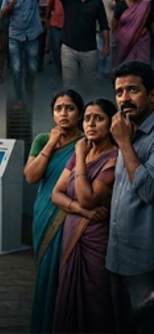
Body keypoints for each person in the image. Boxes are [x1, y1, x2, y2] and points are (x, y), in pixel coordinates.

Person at [48, 98, 117, 332]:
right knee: (68, 298)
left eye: (98, 118)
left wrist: (79, 156)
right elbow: (55, 195)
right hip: (72, 232)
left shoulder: (114, 158)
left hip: (95, 240)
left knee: (95, 302)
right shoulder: (80, 153)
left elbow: (87, 196)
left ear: (111, 123)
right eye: (87, 118)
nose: (91, 124)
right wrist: (80, 210)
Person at [25, 89, 84, 333]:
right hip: (45, 213)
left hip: (73, 215)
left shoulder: (85, 142)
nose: (63, 113)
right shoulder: (41, 140)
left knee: (69, 275)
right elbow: (31, 176)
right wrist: (51, 142)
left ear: (79, 113)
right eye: (58, 109)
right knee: (46, 274)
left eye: (69, 108)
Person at [107, 61, 154, 332]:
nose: (124, 98)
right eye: (119, 92)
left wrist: (124, 144)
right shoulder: (126, 131)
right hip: (116, 257)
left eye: (132, 90)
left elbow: (148, 190)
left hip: (144, 264)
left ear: (152, 95)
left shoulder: (131, 138)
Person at [49, 0, 110, 93]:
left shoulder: (97, 2)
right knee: (70, 85)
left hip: (89, 50)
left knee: (88, 84)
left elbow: (104, 24)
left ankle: (86, 109)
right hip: (68, 49)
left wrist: (106, 45)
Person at [1, 0, 51, 108]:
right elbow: (2, 15)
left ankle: (29, 88)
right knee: (16, 69)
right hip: (15, 38)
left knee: (32, 68)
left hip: (32, 36)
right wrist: (11, 5)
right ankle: (19, 97)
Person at [112, 0, 153, 66]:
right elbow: (114, 24)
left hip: (142, 41)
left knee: (142, 67)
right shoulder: (121, 5)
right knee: (125, 67)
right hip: (124, 42)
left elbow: (149, 23)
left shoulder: (146, 6)